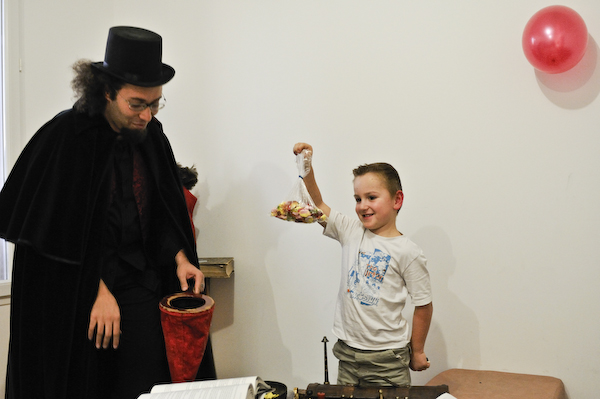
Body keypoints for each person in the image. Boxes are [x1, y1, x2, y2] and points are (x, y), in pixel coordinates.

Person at [0, 26, 204, 399]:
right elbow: (52, 237)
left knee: (149, 385)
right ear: (107, 91)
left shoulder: (151, 136)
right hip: (78, 294)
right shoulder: (65, 137)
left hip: (139, 285)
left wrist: (179, 258)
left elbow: (160, 212)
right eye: (136, 104)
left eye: (154, 103)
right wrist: (96, 289)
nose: (146, 115)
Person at [292, 142, 433, 387]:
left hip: (388, 358)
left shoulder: (408, 252)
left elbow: (423, 304)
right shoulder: (350, 230)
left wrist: (418, 350)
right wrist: (307, 168)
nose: (362, 205)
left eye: (371, 197)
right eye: (358, 198)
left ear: (396, 200)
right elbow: (317, 205)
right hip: (347, 353)